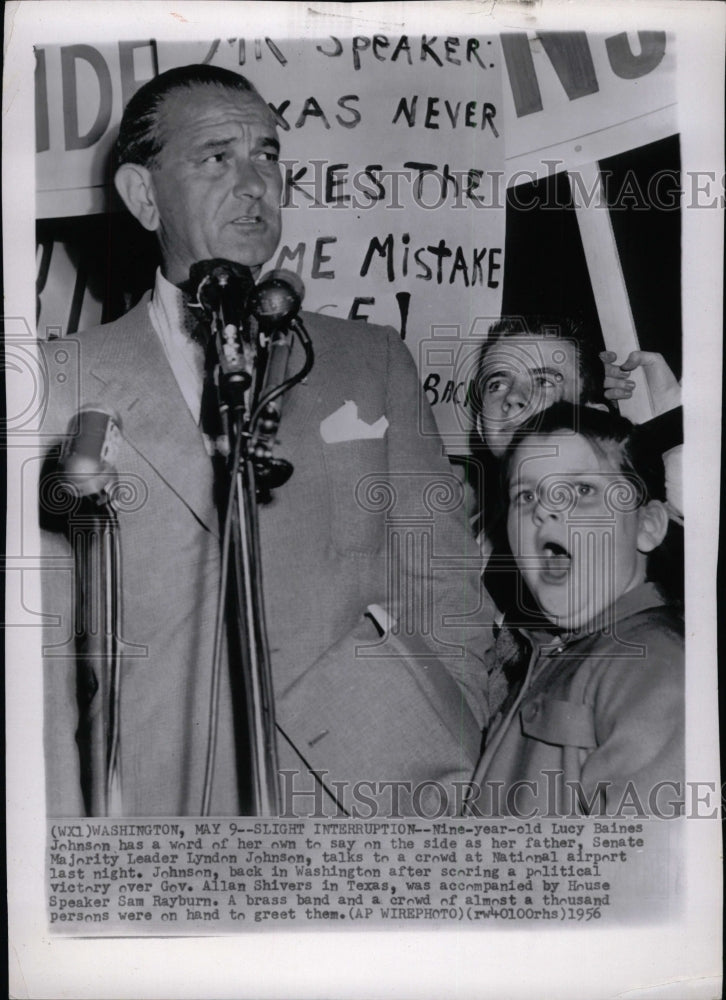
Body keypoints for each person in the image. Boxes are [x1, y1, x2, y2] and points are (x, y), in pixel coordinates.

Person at [39, 64, 493, 818]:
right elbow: (47, 654)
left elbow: (444, 579)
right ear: (143, 197)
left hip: (371, 800)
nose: (255, 182)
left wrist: (447, 726)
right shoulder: (61, 380)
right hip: (168, 812)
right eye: (216, 157)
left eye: (268, 155)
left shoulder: (369, 358)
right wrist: (71, 844)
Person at [466, 402, 684, 818]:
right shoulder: (547, 659)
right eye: (525, 494)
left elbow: (646, 868)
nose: (544, 508)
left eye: (582, 489)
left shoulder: (652, 664)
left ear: (647, 525)